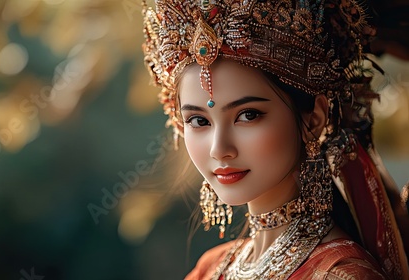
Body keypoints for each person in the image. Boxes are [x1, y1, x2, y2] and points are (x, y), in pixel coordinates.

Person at [141, 0, 409, 279]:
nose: (219, 149)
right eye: (199, 121)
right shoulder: (210, 268)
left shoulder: (339, 274)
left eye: (247, 115)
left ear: (314, 118)